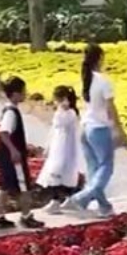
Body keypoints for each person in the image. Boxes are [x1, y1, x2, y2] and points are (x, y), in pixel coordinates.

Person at [62, 44, 127, 218]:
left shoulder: (86, 79)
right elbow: (110, 107)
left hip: (85, 128)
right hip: (99, 129)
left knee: (94, 169)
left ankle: (104, 207)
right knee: (106, 167)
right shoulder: (102, 81)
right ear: (100, 58)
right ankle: (80, 198)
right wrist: (118, 129)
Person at [0, 77, 43, 229]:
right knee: (24, 186)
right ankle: (26, 216)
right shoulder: (11, 113)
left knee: (5, 185)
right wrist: (14, 150)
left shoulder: (8, 109)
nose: (25, 94)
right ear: (15, 93)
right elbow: (3, 133)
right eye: (23, 91)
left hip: (4, 155)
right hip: (13, 157)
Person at [40, 86, 81, 214]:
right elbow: (53, 130)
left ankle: (56, 202)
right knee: (58, 174)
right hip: (58, 146)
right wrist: (48, 146)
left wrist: (62, 108)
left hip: (64, 148)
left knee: (58, 174)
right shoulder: (62, 112)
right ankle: (67, 200)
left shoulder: (70, 113)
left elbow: (60, 124)